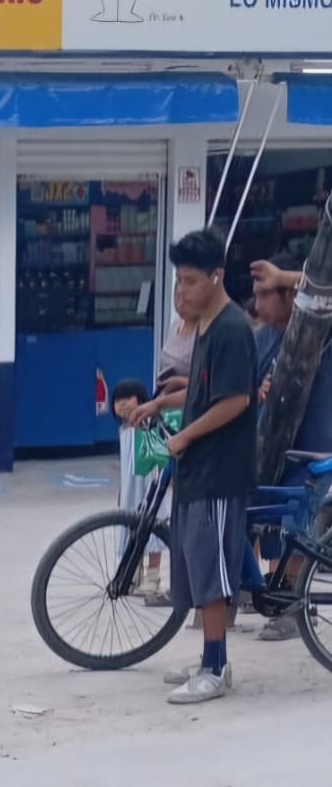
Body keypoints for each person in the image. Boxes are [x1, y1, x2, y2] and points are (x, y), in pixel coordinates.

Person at [134, 228, 257, 705]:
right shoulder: (206, 325)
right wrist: (163, 402)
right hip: (196, 470)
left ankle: (215, 667)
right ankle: (210, 654)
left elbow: (236, 401)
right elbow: (204, 391)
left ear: (216, 276)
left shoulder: (230, 328)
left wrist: (185, 434)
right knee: (196, 567)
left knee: (213, 574)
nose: (180, 291)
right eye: (177, 281)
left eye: (188, 281)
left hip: (220, 471)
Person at [249, 254, 332, 641]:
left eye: (267, 294)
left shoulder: (319, 330)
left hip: (314, 447)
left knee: (297, 525)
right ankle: (266, 591)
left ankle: (292, 608)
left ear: (291, 295)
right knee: (261, 521)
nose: (258, 304)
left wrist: (286, 275)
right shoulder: (261, 338)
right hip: (270, 447)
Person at [111, 379, 167, 597]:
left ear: (142, 400)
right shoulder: (123, 430)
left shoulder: (151, 425)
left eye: (127, 398)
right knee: (128, 529)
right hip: (129, 492)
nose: (122, 404)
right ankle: (133, 573)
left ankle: (153, 576)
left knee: (153, 529)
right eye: (117, 400)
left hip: (149, 488)